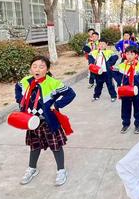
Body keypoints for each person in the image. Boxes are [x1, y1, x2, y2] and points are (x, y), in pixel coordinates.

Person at [16, 56, 76, 186]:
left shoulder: (52, 82)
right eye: (34, 66)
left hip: (49, 121)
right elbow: (17, 87)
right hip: (32, 122)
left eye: (42, 67)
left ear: (47, 69)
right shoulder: (25, 81)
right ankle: (32, 168)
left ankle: (61, 170)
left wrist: (57, 104)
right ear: (30, 69)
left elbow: (70, 94)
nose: (37, 69)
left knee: (56, 146)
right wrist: (20, 100)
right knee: (34, 146)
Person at [112, 45, 139, 134]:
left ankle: (138, 124)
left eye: (132, 54)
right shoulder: (121, 66)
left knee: (138, 107)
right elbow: (114, 72)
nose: (129, 56)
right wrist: (119, 82)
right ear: (125, 54)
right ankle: (125, 124)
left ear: (136, 55)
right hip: (125, 91)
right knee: (125, 107)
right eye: (127, 54)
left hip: (137, 91)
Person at [88, 37, 118, 102]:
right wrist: (91, 64)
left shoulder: (109, 52)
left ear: (106, 44)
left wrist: (110, 63)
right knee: (98, 85)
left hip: (107, 72)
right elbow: (90, 57)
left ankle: (113, 96)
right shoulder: (94, 52)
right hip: (98, 72)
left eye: (103, 44)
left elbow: (116, 57)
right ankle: (96, 96)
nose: (101, 45)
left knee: (110, 84)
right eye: (100, 44)